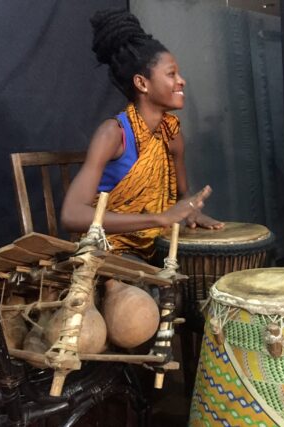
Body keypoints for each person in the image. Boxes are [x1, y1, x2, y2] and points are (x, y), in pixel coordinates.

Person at [61, 8, 223, 261]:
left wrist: (192, 211)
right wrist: (160, 218)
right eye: (171, 74)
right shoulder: (112, 134)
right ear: (142, 83)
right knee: (140, 287)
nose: (181, 81)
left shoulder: (172, 134)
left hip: (157, 244)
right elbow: (71, 214)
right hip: (112, 250)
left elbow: (182, 194)